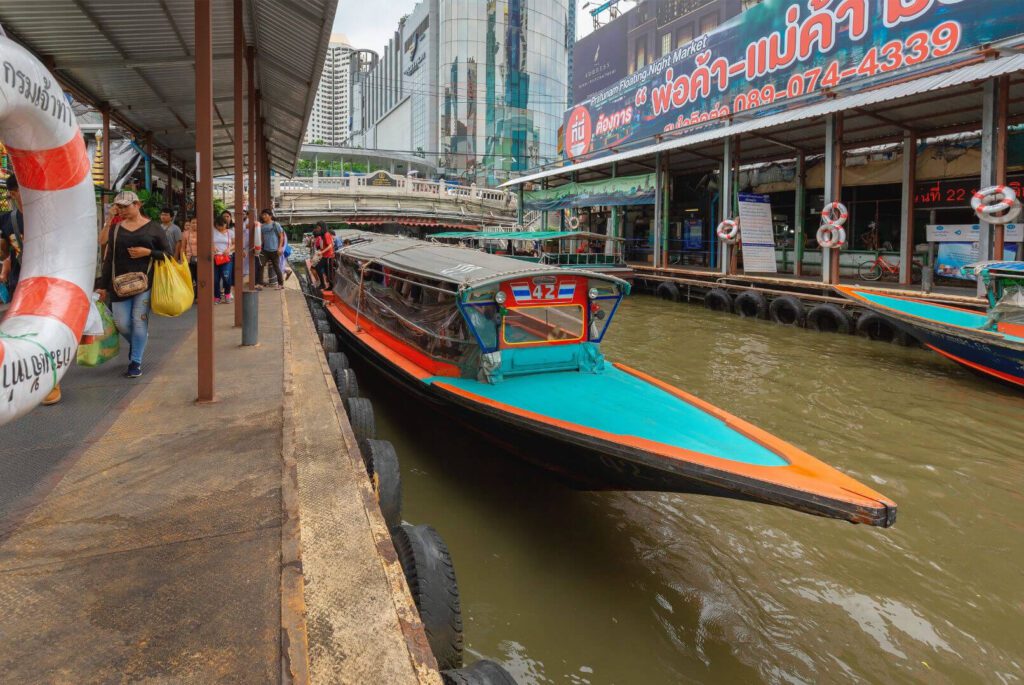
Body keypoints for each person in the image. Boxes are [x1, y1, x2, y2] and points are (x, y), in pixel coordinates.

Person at [99, 190, 171, 379]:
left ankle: (136, 362)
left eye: (125, 206)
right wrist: (102, 285)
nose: (121, 210)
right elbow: (105, 250)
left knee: (139, 323)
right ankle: (138, 343)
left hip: (144, 284)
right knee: (122, 324)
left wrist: (148, 252)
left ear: (138, 205)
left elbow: (168, 254)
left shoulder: (153, 228)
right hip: (119, 284)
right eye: (119, 206)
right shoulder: (115, 229)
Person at [0, 173, 24, 295]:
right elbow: (4, 255)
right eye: (24, 189)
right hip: (19, 287)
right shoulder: (6, 220)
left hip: (47, 283)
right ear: (13, 194)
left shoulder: (48, 216)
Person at [258, 208, 286, 289]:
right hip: (265, 250)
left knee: (276, 267)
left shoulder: (275, 224)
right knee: (260, 264)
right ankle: (260, 283)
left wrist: (280, 247)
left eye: (265, 215)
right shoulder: (262, 226)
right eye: (263, 215)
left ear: (270, 216)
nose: (263, 216)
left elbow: (281, 237)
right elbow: (262, 237)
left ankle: (281, 284)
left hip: (275, 250)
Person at [213, 213, 234, 303]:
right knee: (215, 279)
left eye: (222, 225)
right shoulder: (212, 231)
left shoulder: (231, 232)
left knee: (226, 277)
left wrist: (229, 249)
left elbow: (235, 244)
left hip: (226, 258)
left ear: (226, 224)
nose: (220, 228)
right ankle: (217, 297)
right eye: (218, 226)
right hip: (215, 257)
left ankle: (227, 294)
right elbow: (208, 241)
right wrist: (212, 246)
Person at [180, 215, 199, 299]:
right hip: (188, 259)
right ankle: (190, 296)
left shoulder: (204, 232)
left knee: (199, 278)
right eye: (193, 222)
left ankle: (199, 296)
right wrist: (182, 259)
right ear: (190, 223)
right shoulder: (185, 233)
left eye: (197, 223)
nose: (195, 224)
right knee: (189, 278)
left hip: (201, 259)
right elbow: (183, 247)